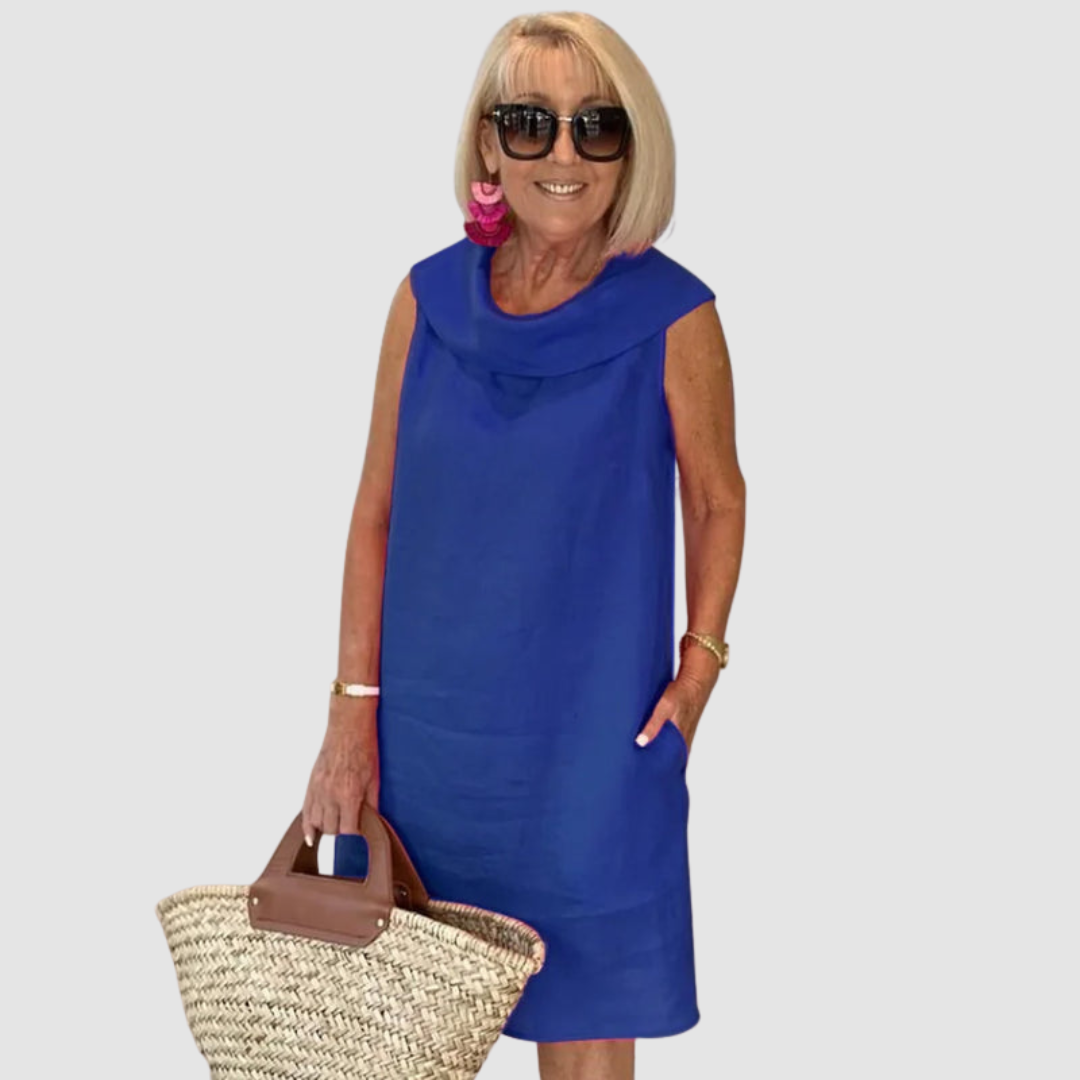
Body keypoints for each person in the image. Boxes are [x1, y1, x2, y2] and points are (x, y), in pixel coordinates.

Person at [302, 11, 745, 1080]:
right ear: (489, 143)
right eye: (531, 121)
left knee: (586, 1031)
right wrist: (350, 715)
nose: (563, 152)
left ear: (632, 148)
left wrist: (698, 673)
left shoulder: (671, 315)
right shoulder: (424, 301)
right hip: (426, 749)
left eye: (597, 125)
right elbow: (375, 513)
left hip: (593, 753)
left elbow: (717, 501)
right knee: (393, 1043)